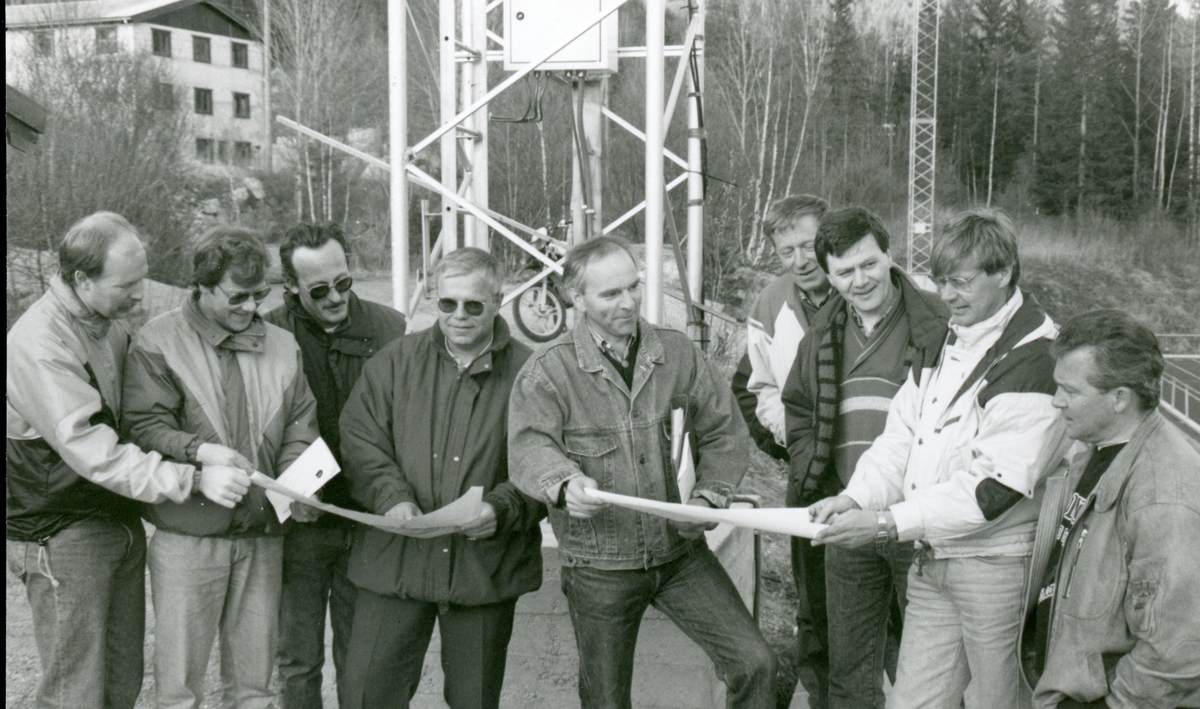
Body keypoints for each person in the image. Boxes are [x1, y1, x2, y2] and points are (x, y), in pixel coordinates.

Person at [809, 209, 1067, 709]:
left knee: (1000, 702)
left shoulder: (1038, 358)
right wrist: (854, 496)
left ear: (1005, 272)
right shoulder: (946, 336)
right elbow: (900, 437)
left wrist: (886, 523)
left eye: (962, 283)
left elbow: (993, 491)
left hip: (997, 568)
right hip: (934, 558)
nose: (947, 295)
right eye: (940, 281)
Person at [509, 236, 776, 709]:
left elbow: (725, 433)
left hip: (679, 556)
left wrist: (709, 499)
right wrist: (565, 484)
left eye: (633, 287)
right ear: (576, 298)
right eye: (610, 294)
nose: (629, 301)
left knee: (755, 663)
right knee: (606, 700)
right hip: (598, 568)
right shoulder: (548, 371)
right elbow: (529, 446)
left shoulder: (678, 353)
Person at [6, 212, 252, 709]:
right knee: (74, 690)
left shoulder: (106, 323)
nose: (140, 295)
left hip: (114, 518)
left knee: (120, 680)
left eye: (142, 279)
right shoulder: (39, 344)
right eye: (128, 285)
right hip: (61, 527)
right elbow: (95, 452)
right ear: (81, 279)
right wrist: (195, 478)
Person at [337, 247, 544, 709]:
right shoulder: (395, 362)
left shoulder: (533, 374)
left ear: (498, 300)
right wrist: (390, 496)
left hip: (483, 567)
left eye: (474, 305)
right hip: (396, 559)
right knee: (367, 694)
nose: (459, 316)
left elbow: (546, 459)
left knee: (474, 699)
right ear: (434, 298)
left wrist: (503, 508)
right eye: (447, 303)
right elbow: (359, 438)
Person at [122, 226, 319, 709]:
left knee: (255, 687)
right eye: (238, 297)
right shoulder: (157, 340)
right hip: (188, 538)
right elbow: (144, 426)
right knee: (179, 688)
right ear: (203, 285)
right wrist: (196, 452)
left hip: (261, 537)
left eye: (261, 295)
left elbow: (300, 424)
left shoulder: (283, 345)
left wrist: (294, 485)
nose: (252, 307)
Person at [781, 207, 948, 709]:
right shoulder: (820, 338)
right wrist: (817, 476)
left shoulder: (939, 325)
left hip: (918, 524)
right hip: (849, 517)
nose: (860, 280)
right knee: (849, 668)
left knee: (928, 668)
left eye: (869, 264)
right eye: (845, 272)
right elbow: (798, 412)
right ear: (829, 277)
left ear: (889, 256)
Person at [1018, 309, 1200, 709]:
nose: (1056, 400)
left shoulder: (1163, 494)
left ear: (1120, 398)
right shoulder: (1098, 453)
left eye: (1071, 391)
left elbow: (1178, 650)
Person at [263, 222, 408, 709]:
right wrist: (288, 493)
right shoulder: (267, 333)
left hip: (368, 521)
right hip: (300, 523)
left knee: (362, 658)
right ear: (290, 288)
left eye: (343, 283)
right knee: (298, 659)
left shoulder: (392, 328)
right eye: (318, 290)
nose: (334, 298)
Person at [733, 194, 831, 706]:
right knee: (813, 596)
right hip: (808, 470)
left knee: (883, 597)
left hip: (881, 470)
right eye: (787, 250)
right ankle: (818, 694)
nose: (801, 260)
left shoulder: (865, 286)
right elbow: (758, 386)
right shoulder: (771, 302)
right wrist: (795, 438)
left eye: (811, 245)